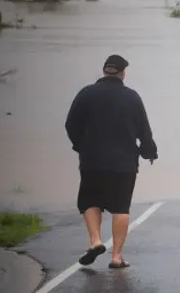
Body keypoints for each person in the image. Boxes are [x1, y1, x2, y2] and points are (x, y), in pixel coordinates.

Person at [65, 54, 158, 269]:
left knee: (89, 201)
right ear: (123, 73)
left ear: (105, 71)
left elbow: (70, 124)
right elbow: (144, 130)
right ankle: (116, 257)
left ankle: (96, 241)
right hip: (123, 163)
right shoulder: (132, 97)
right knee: (121, 207)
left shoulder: (86, 94)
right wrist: (149, 152)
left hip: (92, 160)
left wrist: (81, 145)